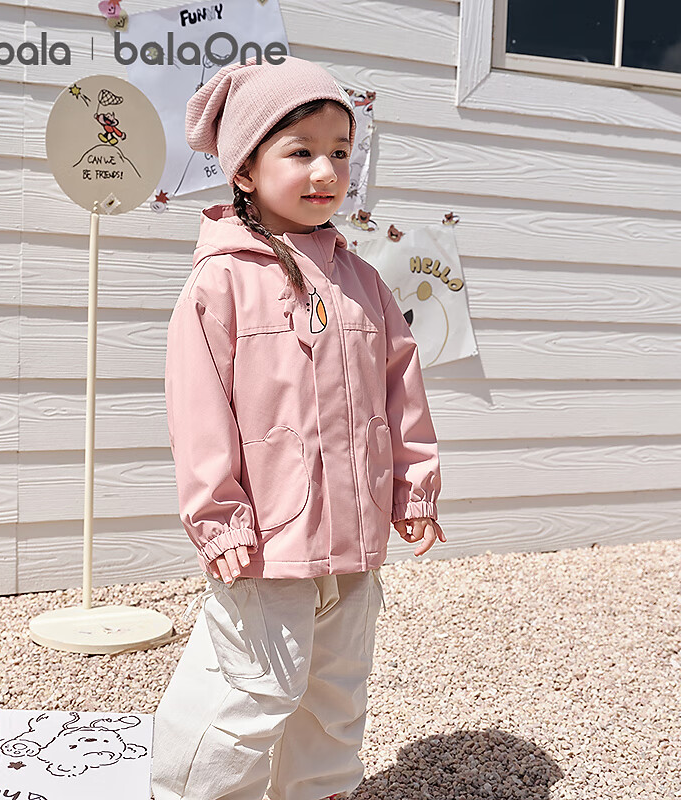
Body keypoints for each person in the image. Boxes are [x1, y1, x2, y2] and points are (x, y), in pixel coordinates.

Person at [152, 55, 445, 800]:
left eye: (340, 152)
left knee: (335, 693)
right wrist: (219, 518)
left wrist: (412, 485)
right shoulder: (222, 280)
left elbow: (400, 388)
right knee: (250, 691)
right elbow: (199, 411)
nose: (326, 171)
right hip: (268, 539)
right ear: (245, 170)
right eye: (301, 151)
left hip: (354, 534)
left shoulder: (362, 281)